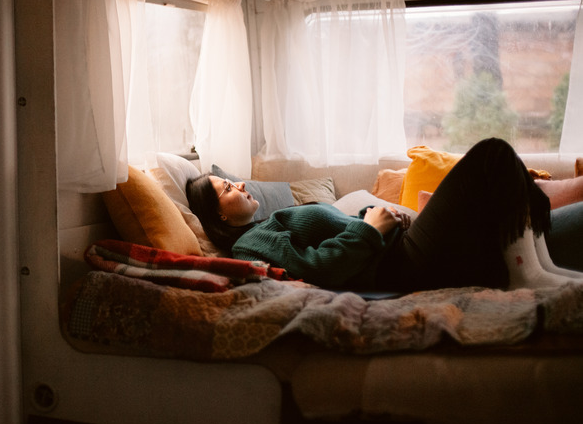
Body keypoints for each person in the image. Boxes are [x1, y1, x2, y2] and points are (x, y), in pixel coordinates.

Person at [186, 138, 583, 293]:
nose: (238, 185)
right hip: (399, 264)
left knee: (505, 169)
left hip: (397, 247)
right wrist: (372, 231)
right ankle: (528, 275)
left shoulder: (270, 224)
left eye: (232, 183)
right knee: (492, 157)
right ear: (218, 218)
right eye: (226, 189)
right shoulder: (249, 243)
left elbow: (336, 235)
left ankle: (537, 265)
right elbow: (318, 269)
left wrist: (374, 213)